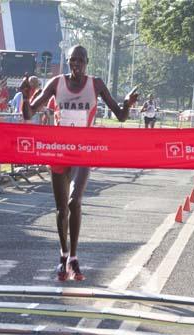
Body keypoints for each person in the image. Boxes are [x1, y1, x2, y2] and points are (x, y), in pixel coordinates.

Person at [20, 45, 138, 281]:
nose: (76, 65)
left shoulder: (96, 84)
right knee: (61, 208)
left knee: (75, 201)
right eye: (72, 60)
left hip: (83, 151)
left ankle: (74, 258)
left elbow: (121, 116)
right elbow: (28, 113)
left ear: (87, 62)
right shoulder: (56, 83)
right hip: (59, 152)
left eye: (80, 61)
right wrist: (25, 96)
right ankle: (63, 255)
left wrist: (127, 104)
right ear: (68, 62)